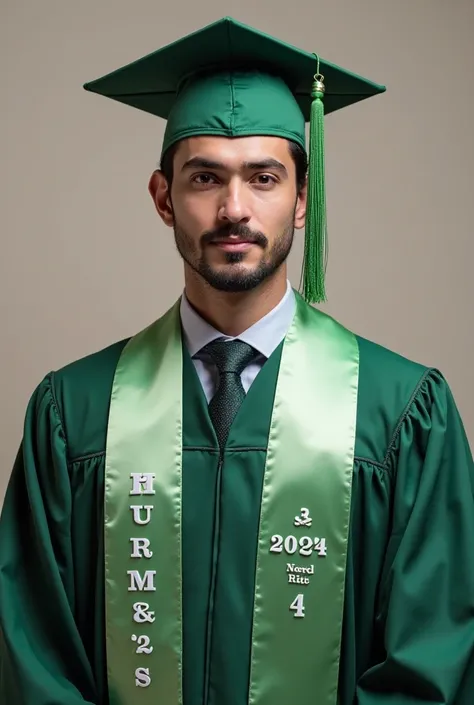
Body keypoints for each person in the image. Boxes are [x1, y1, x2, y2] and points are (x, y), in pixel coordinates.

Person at [0, 15, 473, 705]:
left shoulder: (401, 414)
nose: (233, 208)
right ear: (164, 199)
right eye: (203, 178)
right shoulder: (75, 413)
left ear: (303, 199)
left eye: (264, 177)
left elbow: (433, 666)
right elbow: (31, 658)